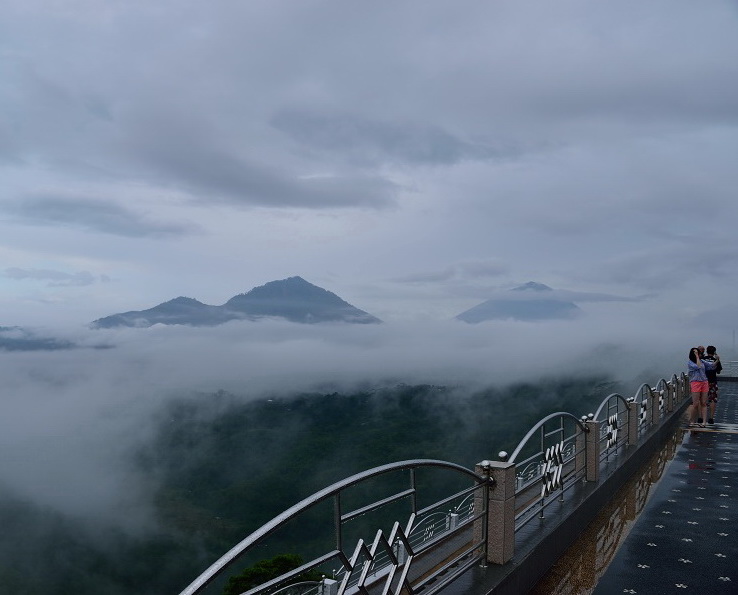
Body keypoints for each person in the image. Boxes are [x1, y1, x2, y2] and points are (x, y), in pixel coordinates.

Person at [687, 347, 711, 427]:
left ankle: (704, 422)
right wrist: (697, 356)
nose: (700, 354)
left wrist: (717, 360)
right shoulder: (690, 363)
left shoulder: (702, 361)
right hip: (695, 382)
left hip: (704, 382)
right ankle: (692, 421)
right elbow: (698, 366)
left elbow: (711, 366)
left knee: (704, 403)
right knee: (695, 404)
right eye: (698, 353)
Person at [702, 345, 722, 424]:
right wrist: (717, 359)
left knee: (702, 400)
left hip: (703, 382)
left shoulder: (703, 359)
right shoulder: (716, 360)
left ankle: (700, 417)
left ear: (707, 351)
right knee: (713, 399)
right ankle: (711, 418)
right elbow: (718, 371)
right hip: (713, 382)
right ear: (714, 352)